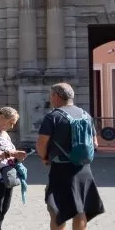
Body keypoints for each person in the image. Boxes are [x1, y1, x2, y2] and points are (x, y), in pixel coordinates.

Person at [37, 83, 105, 229]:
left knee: (56, 208)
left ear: (56, 96)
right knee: (80, 208)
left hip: (61, 168)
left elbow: (42, 144)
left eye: (51, 95)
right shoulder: (86, 115)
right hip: (84, 168)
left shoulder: (52, 117)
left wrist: (44, 158)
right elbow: (95, 143)